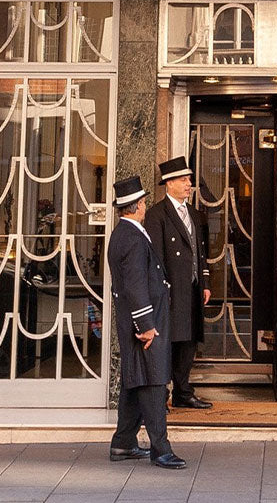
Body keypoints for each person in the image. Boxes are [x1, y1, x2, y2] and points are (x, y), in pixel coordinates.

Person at [106, 174, 186, 469]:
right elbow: (136, 285)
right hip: (143, 326)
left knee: (134, 379)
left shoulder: (124, 233)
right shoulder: (133, 238)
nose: (145, 206)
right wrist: (146, 325)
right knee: (153, 381)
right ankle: (160, 448)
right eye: (142, 202)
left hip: (138, 323)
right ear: (137, 205)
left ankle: (123, 442)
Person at [144, 155, 212, 410]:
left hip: (192, 288)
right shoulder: (156, 215)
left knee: (189, 341)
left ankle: (184, 392)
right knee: (167, 343)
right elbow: (156, 257)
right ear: (168, 183)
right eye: (183, 180)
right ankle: (161, 395)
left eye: (189, 180)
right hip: (172, 290)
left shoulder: (193, 213)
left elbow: (200, 251)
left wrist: (204, 282)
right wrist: (162, 290)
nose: (189, 184)